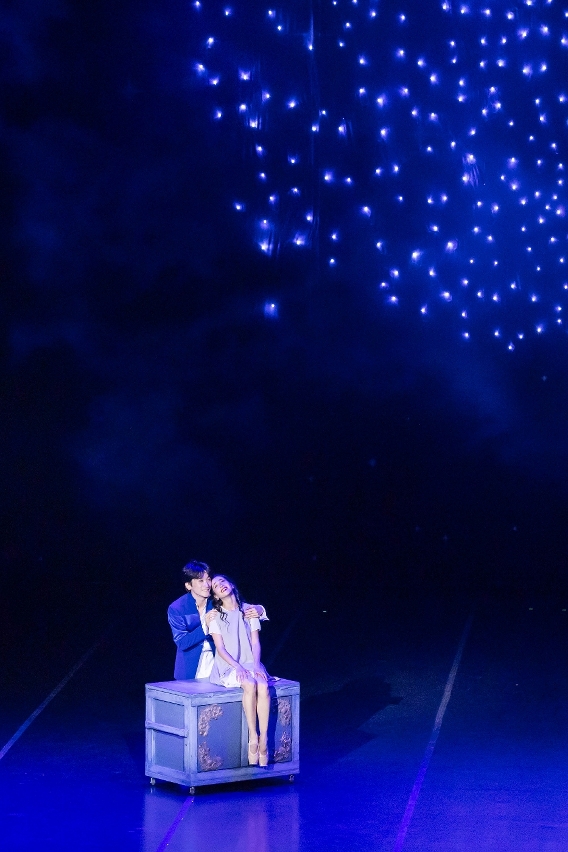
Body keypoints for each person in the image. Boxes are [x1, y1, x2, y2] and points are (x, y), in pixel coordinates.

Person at [208, 574, 270, 767]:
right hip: (230, 665)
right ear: (216, 596)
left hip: (250, 662)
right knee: (249, 684)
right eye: (216, 586)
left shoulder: (248, 610)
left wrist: (257, 664)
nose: (220, 585)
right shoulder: (215, 616)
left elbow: (255, 642)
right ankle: (253, 736)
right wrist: (238, 667)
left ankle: (264, 739)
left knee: (263, 685)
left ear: (231, 585)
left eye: (223, 581)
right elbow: (220, 648)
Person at [167, 561, 267, 681]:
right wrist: (205, 626)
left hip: (220, 664)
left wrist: (260, 610)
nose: (207, 585)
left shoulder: (216, 600)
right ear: (189, 585)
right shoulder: (177, 608)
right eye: (200, 581)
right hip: (190, 667)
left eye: (208, 579)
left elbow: (238, 607)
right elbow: (182, 642)